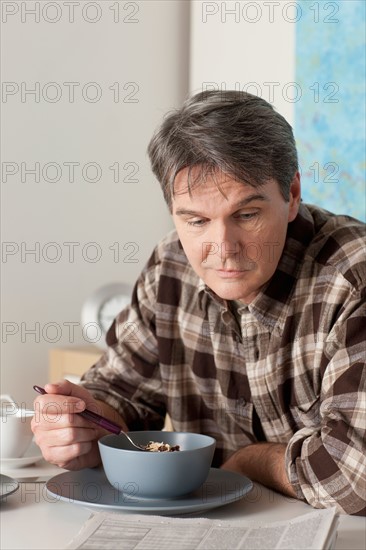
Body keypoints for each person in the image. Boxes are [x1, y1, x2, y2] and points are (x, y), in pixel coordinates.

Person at [32, 90, 365, 516]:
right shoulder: (170, 267)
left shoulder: (354, 281)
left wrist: (248, 462)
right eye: (196, 221)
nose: (222, 248)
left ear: (293, 193)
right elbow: (119, 393)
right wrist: (85, 426)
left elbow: (353, 479)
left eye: (246, 215)